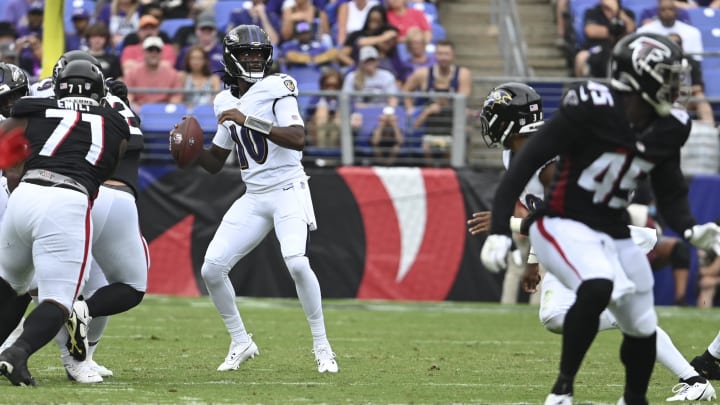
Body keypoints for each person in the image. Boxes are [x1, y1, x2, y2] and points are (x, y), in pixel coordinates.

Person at [479, 33, 720, 405]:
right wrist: (527, 253)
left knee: (562, 314)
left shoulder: (552, 146)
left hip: (594, 227)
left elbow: (558, 201)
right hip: (579, 228)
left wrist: (508, 228)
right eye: (668, 76)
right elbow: (546, 207)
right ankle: (687, 378)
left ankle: (569, 391)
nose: (677, 87)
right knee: (616, 314)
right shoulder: (534, 144)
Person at [171, 24, 338, 374]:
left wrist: (248, 119)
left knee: (296, 262)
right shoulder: (224, 100)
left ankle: (322, 347)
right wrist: (190, 150)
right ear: (231, 58)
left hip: (288, 188)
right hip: (255, 194)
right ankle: (240, 341)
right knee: (212, 269)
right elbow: (216, 162)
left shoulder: (279, 86)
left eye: (259, 53)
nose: (253, 59)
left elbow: (297, 137)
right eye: (246, 54)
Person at [0, 59, 130, 386]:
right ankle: (16, 353)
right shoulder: (114, 121)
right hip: (68, 198)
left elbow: (5, 141)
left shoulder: (32, 108)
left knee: (8, 284)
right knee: (59, 300)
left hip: (24, 193)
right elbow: (110, 164)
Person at [573, 0, 635, 78]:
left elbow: (631, 29)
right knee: (581, 57)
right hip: (598, 48)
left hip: (620, 48)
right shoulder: (592, 12)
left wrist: (617, 11)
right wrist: (617, 32)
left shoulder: (627, 13)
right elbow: (591, 31)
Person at [124, 36, 184, 108]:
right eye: (150, 50)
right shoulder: (132, 73)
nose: (154, 53)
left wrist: (167, 110)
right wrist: (135, 108)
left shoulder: (173, 74)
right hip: (139, 111)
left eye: (157, 50)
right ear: (144, 52)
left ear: (161, 53)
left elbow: (177, 97)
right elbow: (127, 96)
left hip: (164, 112)